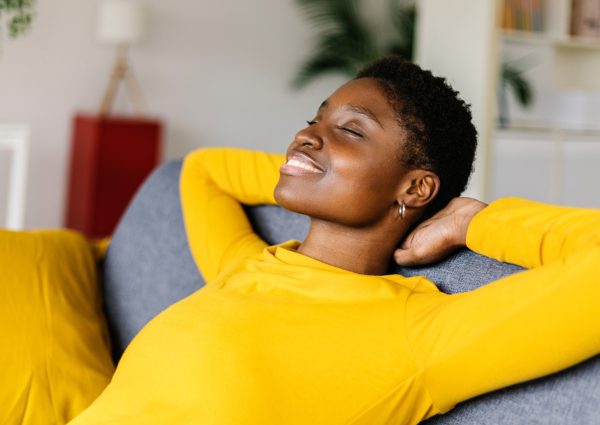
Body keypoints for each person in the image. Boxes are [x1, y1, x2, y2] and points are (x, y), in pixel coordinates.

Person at [70, 56, 600, 425]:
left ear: (415, 186)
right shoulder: (247, 266)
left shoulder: (419, 338)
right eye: (313, 119)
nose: (306, 135)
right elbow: (204, 171)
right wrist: (308, 170)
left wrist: (471, 223)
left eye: (351, 130)